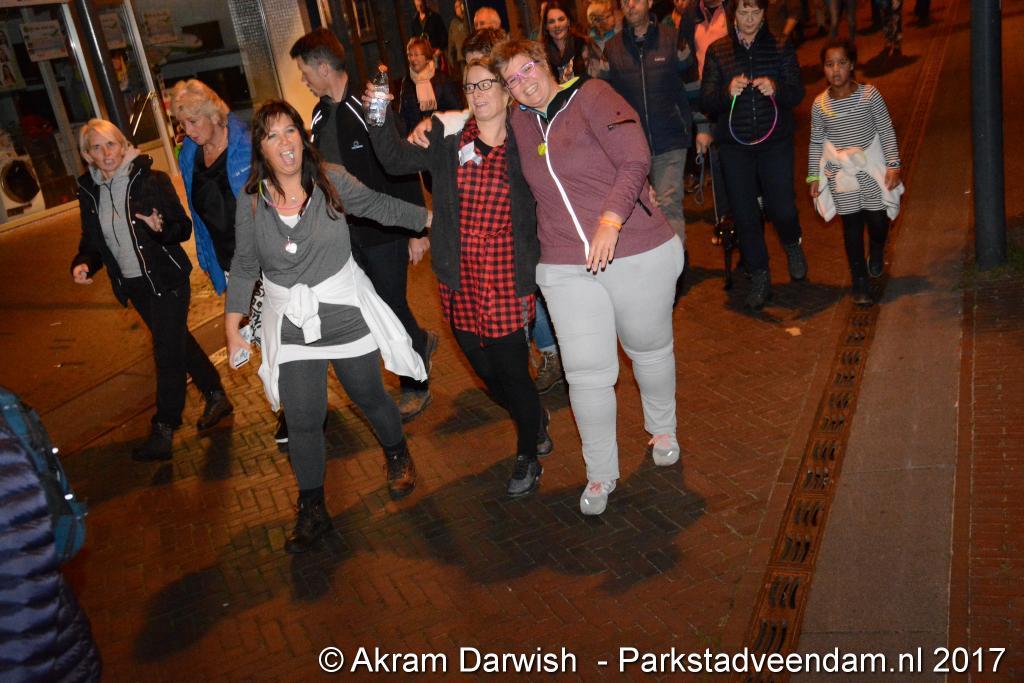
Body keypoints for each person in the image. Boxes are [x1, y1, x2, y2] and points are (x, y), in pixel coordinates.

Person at [224, 101, 430, 553]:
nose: (285, 142)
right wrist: (231, 323)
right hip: (290, 322)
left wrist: (431, 220)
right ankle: (313, 508)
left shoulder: (330, 180)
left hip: (342, 310)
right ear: (261, 147)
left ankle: (397, 452)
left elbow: (377, 205)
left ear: (302, 136)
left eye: (290, 131)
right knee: (302, 417)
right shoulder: (252, 201)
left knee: (368, 394)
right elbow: (244, 264)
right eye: (273, 135)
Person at [491, 38, 685, 515]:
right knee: (586, 374)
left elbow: (635, 158)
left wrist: (611, 220)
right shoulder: (518, 123)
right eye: (511, 80)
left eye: (527, 69)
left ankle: (663, 428)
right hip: (564, 264)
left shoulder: (592, 95)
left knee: (647, 348)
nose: (523, 83)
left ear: (545, 63)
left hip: (634, 246)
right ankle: (600, 472)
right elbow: (475, 120)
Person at [364, 58, 552, 497]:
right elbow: (392, 159)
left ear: (505, 89)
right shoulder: (448, 140)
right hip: (460, 275)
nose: (478, 93)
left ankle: (528, 452)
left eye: (487, 84)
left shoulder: (528, 140)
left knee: (512, 370)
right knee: (487, 374)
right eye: (471, 86)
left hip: (507, 272)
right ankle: (532, 416)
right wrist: (378, 111)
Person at [291, 29, 439, 424]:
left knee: (390, 305)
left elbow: (400, 165)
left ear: (324, 68)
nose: (304, 80)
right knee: (376, 307)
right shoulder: (319, 114)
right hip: (346, 233)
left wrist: (416, 231)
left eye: (305, 72)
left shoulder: (369, 104)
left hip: (385, 228)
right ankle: (419, 342)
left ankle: (416, 383)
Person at [71, 120, 232, 461]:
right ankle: (216, 394)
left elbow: (182, 228)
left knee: (167, 352)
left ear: (122, 145)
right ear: (87, 155)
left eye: (111, 144)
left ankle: (164, 427)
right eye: (97, 147)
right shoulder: (90, 192)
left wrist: (161, 228)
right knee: (176, 340)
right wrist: (84, 262)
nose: (106, 153)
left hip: (167, 278)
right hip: (134, 284)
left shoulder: (151, 180)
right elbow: (92, 240)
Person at [700, 0, 807, 310]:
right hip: (735, 148)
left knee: (782, 208)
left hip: (775, 142)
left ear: (764, 14)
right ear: (733, 14)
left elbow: (796, 92)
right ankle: (760, 276)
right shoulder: (718, 51)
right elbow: (707, 101)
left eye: (755, 12)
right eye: (743, 12)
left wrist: (776, 88)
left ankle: (792, 242)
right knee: (745, 215)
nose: (749, 19)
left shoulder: (780, 45)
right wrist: (726, 93)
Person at [808, 39, 903, 305]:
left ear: (851, 65)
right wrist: (813, 175)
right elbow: (816, 142)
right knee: (851, 226)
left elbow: (886, 129)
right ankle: (859, 282)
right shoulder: (820, 105)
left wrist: (893, 165)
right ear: (823, 69)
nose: (835, 70)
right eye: (829, 64)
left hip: (871, 169)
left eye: (841, 63)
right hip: (843, 176)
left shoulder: (870, 96)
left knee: (877, 220)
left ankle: (877, 247)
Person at [601, 0, 693, 249]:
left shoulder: (673, 39)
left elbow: (692, 85)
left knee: (668, 205)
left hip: (670, 137)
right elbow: (603, 100)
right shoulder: (611, 49)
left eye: (636, 0)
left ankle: (676, 264)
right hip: (630, 146)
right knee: (639, 211)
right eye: (625, 1)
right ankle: (655, 263)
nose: (630, 5)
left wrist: (703, 127)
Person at [399, 36, 464, 136]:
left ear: (426, 57)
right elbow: (403, 117)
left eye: (416, 54)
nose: (412, 59)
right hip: (418, 137)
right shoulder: (407, 82)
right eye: (410, 55)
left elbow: (456, 109)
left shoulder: (441, 78)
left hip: (442, 134)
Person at [541, 1, 600, 82]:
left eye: (561, 19)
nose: (557, 25)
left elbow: (598, 79)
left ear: (568, 22)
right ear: (546, 26)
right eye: (551, 21)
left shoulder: (584, 44)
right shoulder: (541, 53)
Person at [448, 0, 470, 74]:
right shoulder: (453, 23)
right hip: (462, 58)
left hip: (473, 54)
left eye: (459, 5)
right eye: (456, 7)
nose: (458, 8)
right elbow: (451, 42)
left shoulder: (469, 18)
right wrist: (450, 57)